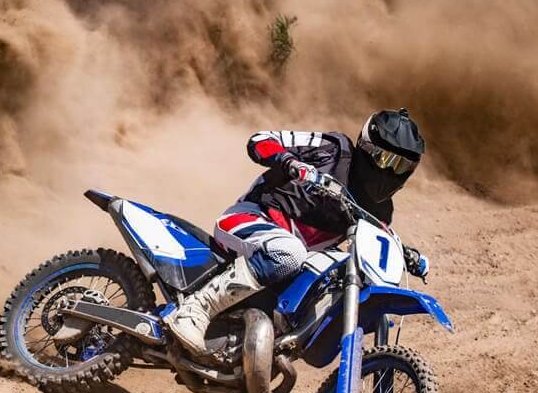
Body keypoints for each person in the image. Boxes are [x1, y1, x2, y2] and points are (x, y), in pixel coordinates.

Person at [165, 108, 430, 355]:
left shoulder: (381, 210)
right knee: (289, 252)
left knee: (332, 276)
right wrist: (290, 162)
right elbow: (261, 139)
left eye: (404, 167)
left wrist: (405, 254)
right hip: (249, 219)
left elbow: (377, 241)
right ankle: (195, 310)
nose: (393, 171)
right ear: (368, 150)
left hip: (294, 262)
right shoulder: (332, 150)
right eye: (388, 160)